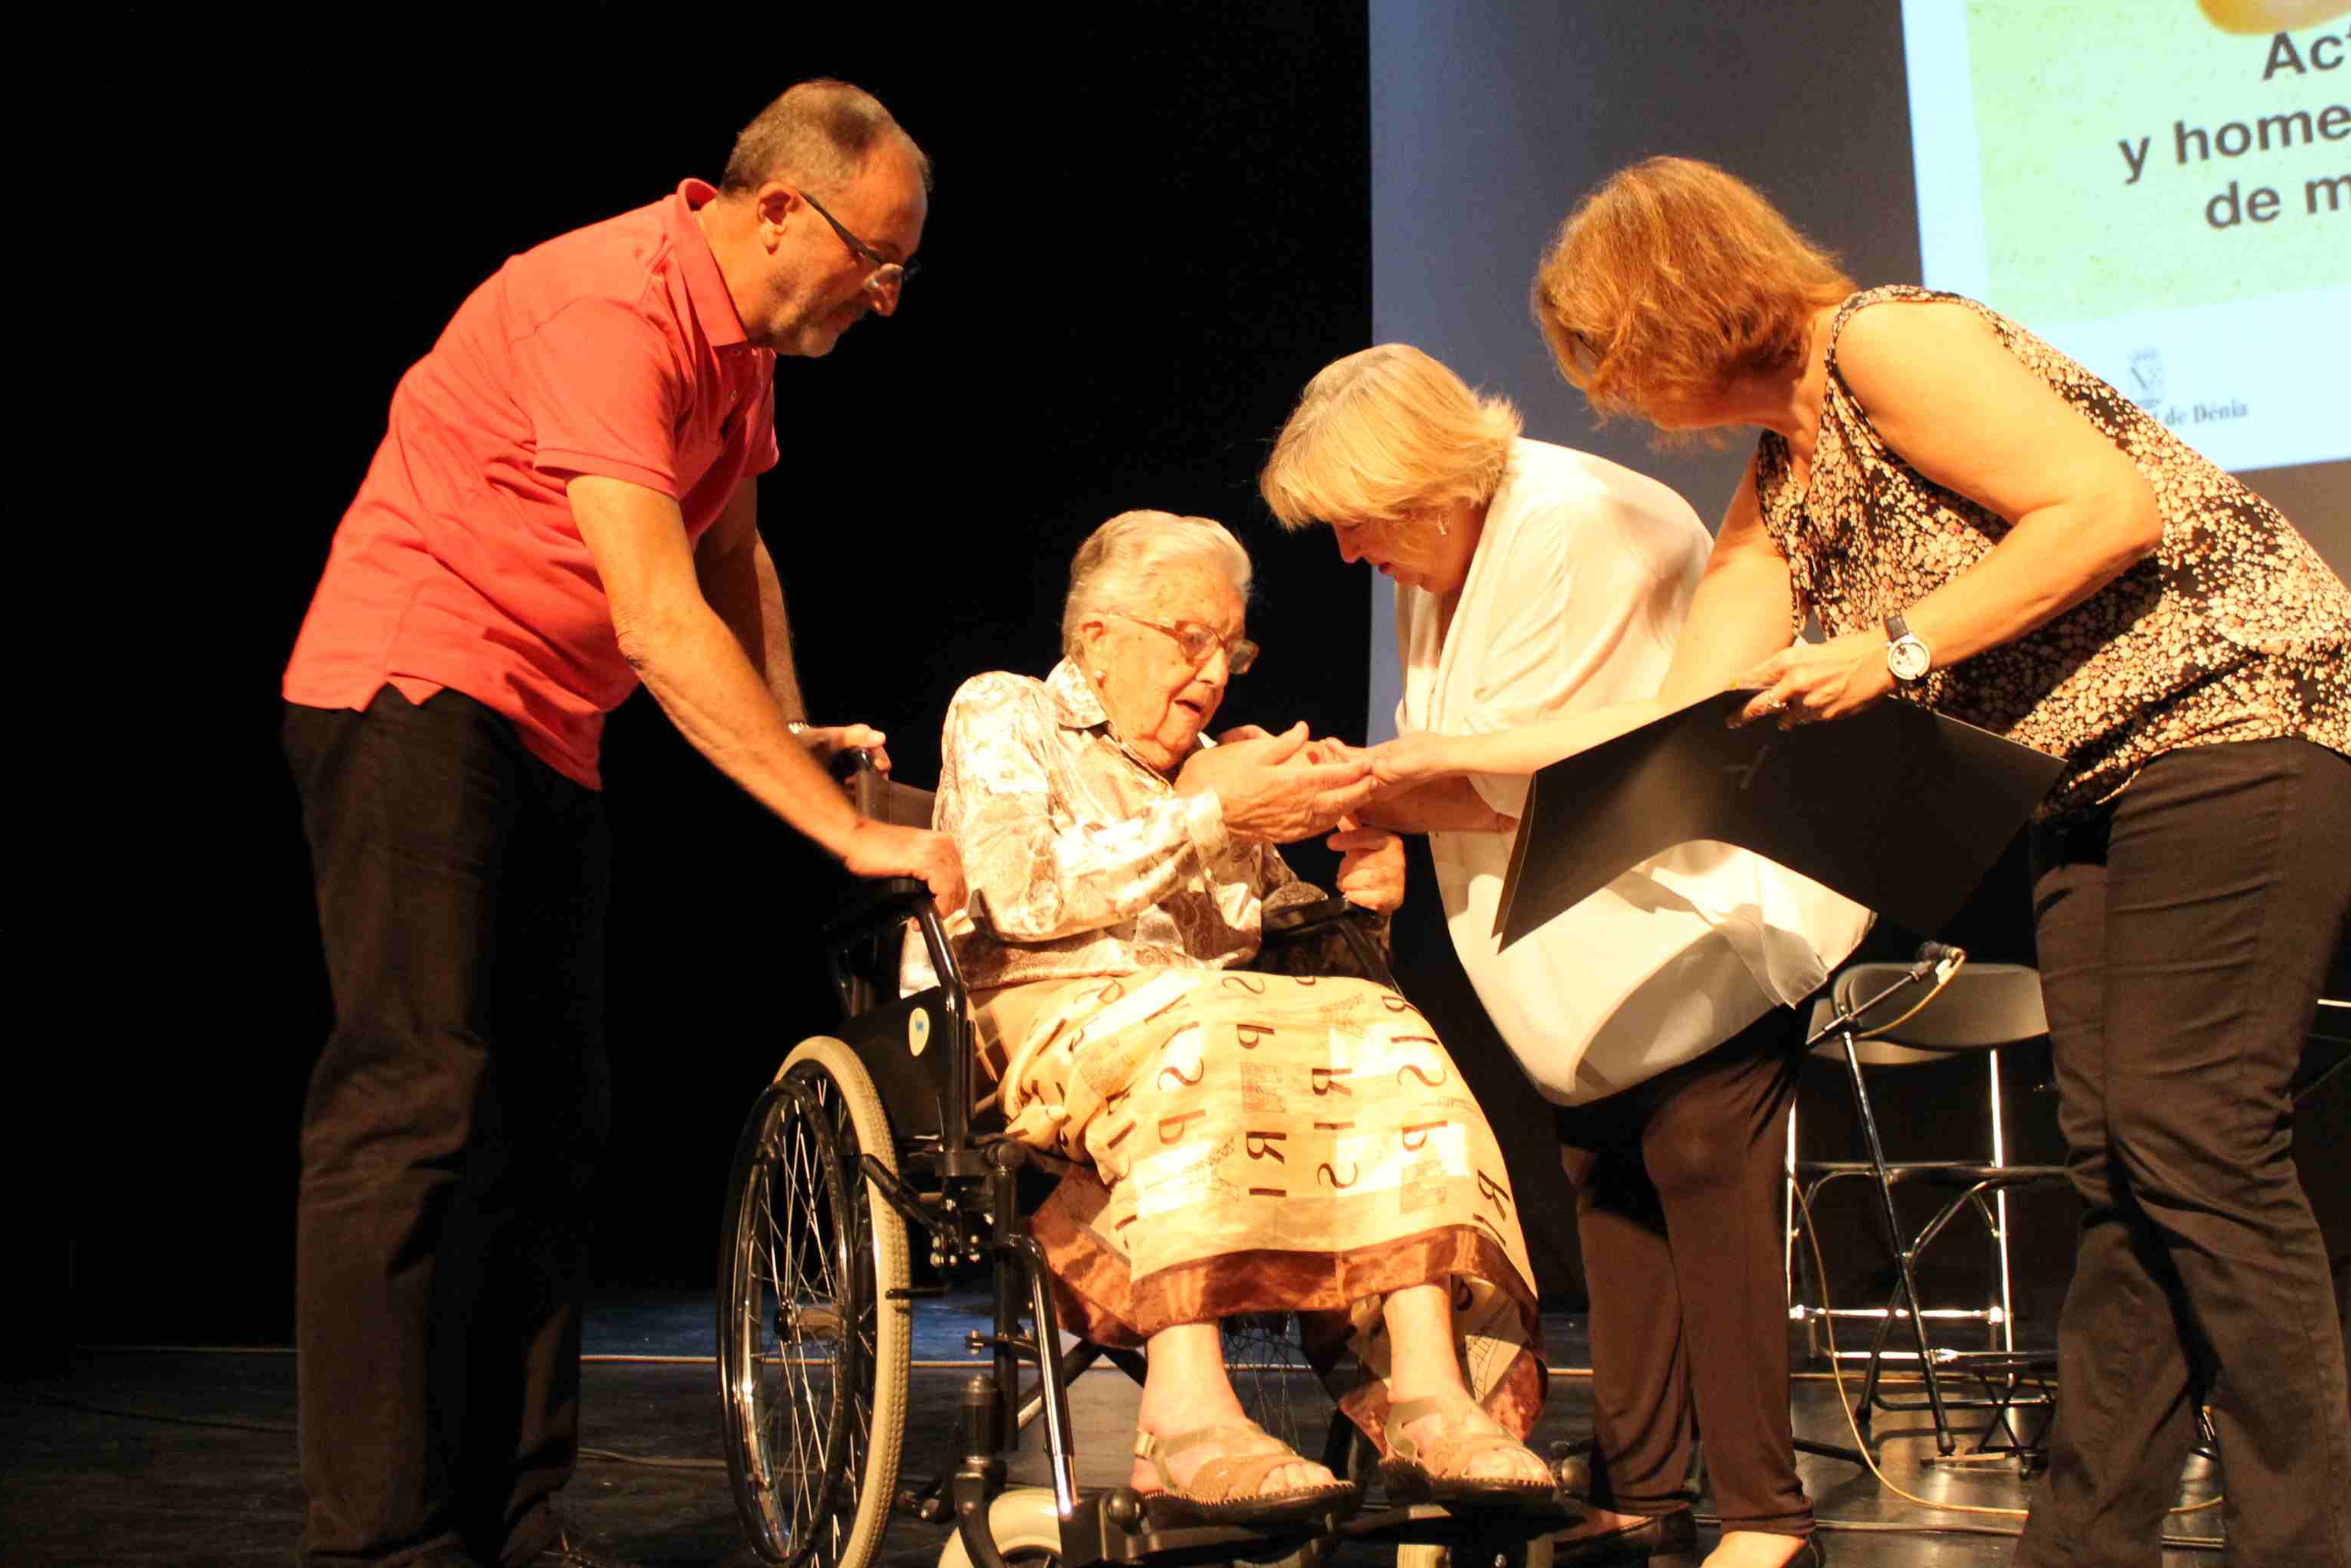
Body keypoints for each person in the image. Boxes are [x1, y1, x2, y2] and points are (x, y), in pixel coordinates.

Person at [1373, 155, 2351, 1568]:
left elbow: (2104, 508)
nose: (1621, 398)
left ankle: (2301, 1536)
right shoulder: (1783, 479)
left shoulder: (1890, 338)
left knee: (2198, 1142)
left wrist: (1898, 651)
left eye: (1613, 357)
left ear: (1673, 309)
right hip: (2085, 792)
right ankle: (2086, 1542)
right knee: (2125, 1164)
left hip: (2237, 726)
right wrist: (1419, 770)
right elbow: (1675, 710)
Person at [279, 82, 964, 1568]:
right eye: (879, 257)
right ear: (779, 206)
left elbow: (730, 548)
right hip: (413, 691)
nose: (887, 297)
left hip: (542, 724)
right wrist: (848, 837)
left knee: (551, 1123)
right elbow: (656, 617)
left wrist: (784, 728)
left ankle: (515, 1510)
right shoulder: (612, 306)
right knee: (415, 1111)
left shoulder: (738, 355)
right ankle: (380, 1539)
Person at [1261, 343, 1871, 1568]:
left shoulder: (1576, 523)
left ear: (1424, 479)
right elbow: (1457, 757)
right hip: (1585, 956)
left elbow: (1537, 778)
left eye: (1354, 521)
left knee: (1703, 1169)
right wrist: (1374, 801)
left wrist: (1360, 784)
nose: (1346, 554)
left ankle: (1766, 1513)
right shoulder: (1440, 547)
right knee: (1610, 1188)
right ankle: (1647, 1490)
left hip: (1696, 916)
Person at [914, 509, 1556, 1521]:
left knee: (1381, 1027)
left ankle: (1429, 1390)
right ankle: (1185, 1416)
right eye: (1189, 640)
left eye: (1230, 648)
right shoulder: (1006, 713)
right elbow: (1020, 889)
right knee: (1201, 1021)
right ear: (1098, 638)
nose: (1214, 673)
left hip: (1200, 1027)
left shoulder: (1216, 767)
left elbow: (1306, 957)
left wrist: (1366, 898)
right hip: (1040, 1020)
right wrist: (1209, 816)